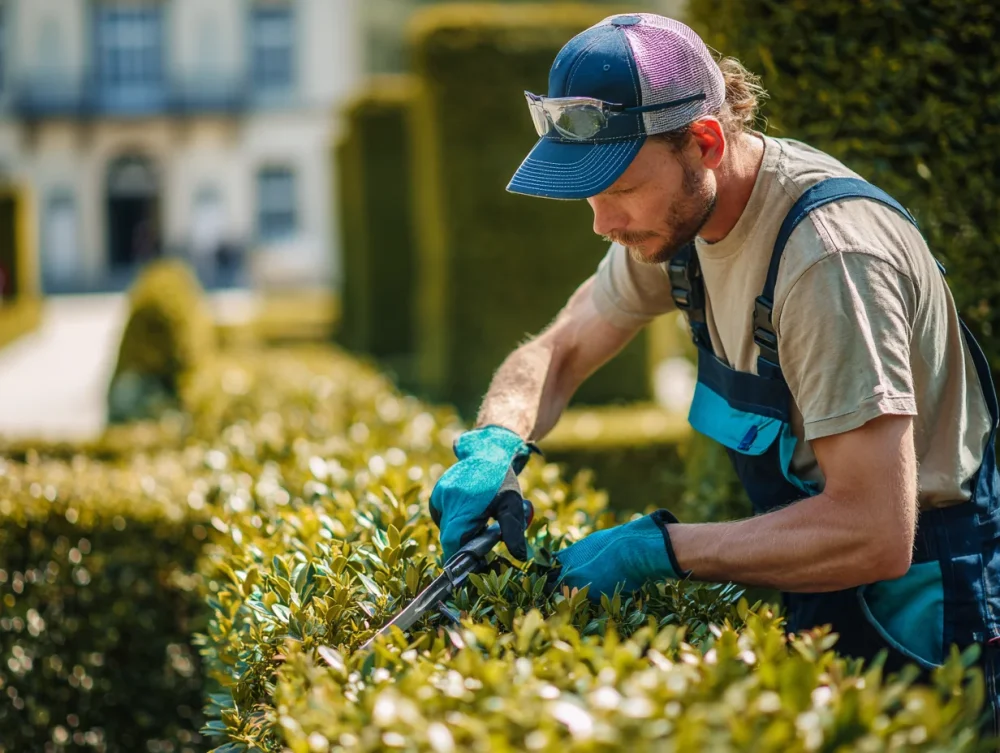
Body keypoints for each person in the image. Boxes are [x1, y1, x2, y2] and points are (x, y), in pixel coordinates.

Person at [427, 11, 1000, 728]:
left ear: (704, 141)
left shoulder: (827, 262)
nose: (602, 222)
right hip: (823, 589)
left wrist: (658, 551)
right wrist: (495, 443)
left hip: (929, 615)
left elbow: (873, 529)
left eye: (620, 187)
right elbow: (560, 347)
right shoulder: (680, 220)